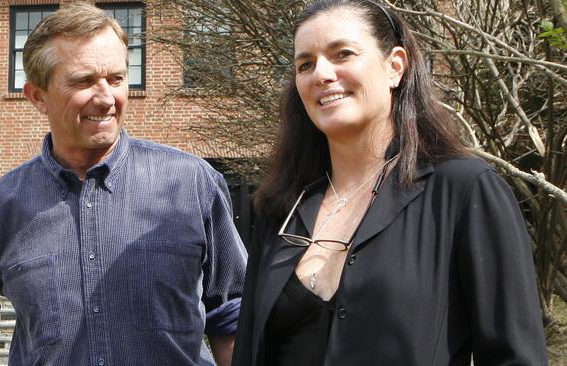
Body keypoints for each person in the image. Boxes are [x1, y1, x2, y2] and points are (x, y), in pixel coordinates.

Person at [232, 0, 548, 365]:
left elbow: (515, 356)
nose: (321, 74)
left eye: (343, 54)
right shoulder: (281, 208)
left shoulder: (464, 189)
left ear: (395, 67)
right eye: (305, 64)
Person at [0, 3, 247, 365]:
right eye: (83, 81)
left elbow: (233, 317)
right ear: (37, 95)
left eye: (116, 78)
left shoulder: (193, 185)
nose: (107, 98)